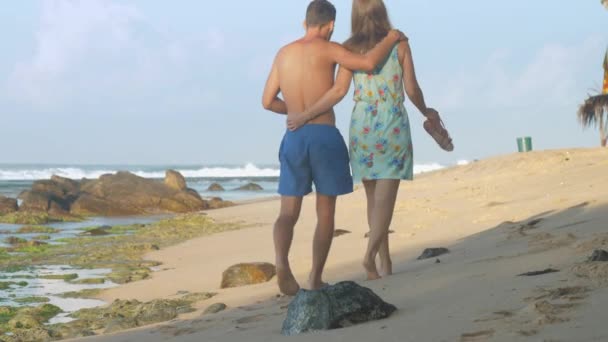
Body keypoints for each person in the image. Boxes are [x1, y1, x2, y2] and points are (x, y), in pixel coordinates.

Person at [287, 0, 453, 281]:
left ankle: (383, 265)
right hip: (391, 124)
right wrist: (427, 112)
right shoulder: (398, 44)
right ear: (382, 13)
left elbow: (338, 91)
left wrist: (305, 115)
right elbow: (411, 88)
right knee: (385, 200)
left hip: (362, 125)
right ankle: (368, 256)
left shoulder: (348, 48)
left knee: (373, 198)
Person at [262, 0, 406, 295]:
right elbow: (367, 63)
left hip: (294, 136)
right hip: (324, 135)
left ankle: (280, 262)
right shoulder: (330, 48)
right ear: (330, 26)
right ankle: (315, 278)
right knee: (325, 211)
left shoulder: (283, 54)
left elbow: (267, 101)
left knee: (287, 212)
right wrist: (391, 38)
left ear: (305, 23)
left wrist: (295, 112)